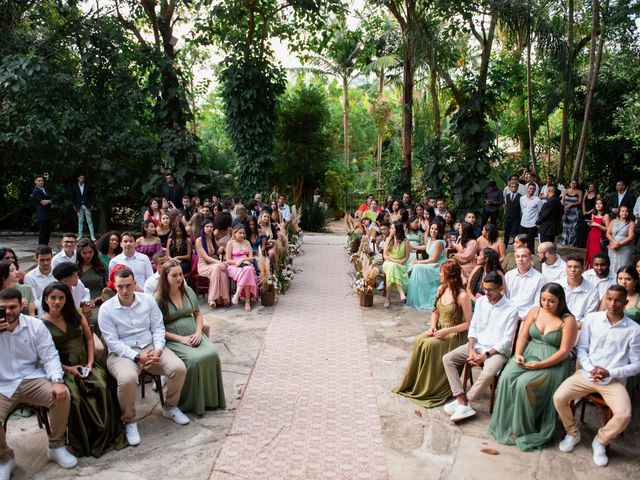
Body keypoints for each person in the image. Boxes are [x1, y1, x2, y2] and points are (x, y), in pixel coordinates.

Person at [98, 268, 189, 447]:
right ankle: (130, 421)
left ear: (134, 284)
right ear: (114, 285)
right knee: (128, 378)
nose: (125, 291)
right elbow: (112, 342)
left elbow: (158, 327)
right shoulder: (106, 309)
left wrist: (158, 349)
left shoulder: (147, 300)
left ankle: (170, 407)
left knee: (178, 368)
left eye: (129, 286)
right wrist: (136, 356)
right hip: (122, 353)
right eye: (120, 286)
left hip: (150, 347)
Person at [553, 285, 640, 467]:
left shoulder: (634, 330)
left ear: (625, 302)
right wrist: (590, 367)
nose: (612, 304)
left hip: (612, 380)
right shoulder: (592, 319)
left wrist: (611, 372)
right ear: (605, 299)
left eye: (617, 300)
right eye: (609, 299)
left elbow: (636, 365)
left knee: (624, 415)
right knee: (559, 397)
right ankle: (572, 433)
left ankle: (600, 441)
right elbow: (582, 348)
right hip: (586, 374)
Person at [39, 282, 127, 456]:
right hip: (62, 368)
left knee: (102, 386)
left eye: (61, 297)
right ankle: (85, 441)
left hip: (86, 362)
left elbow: (88, 339)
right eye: (53, 298)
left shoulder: (76, 314)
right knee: (76, 398)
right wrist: (69, 369)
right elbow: (44, 357)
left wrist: (90, 362)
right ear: (46, 300)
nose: (57, 302)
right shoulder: (40, 324)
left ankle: (106, 434)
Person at [488, 282, 577, 451]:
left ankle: (523, 429)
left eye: (551, 301)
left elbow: (565, 351)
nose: (546, 304)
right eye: (543, 299)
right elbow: (522, 336)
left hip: (553, 362)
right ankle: (507, 423)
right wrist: (519, 354)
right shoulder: (535, 311)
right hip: (529, 353)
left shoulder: (568, 320)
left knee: (524, 385)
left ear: (560, 301)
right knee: (506, 376)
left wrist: (541, 364)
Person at [0, 288, 78, 476]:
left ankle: (56, 445)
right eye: (3, 308)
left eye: (13, 307)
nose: (9, 312)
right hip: (2, 384)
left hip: (31, 378)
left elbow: (49, 355)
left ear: (21, 306)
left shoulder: (35, 325)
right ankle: (5, 458)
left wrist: (57, 380)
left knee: (62, 394)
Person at [393, 260, 472, 407]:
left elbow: (468, 323)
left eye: (442, 272)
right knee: (419, 340)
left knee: (429, 345)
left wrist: (447, 330)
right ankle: (416, 383)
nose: (439, 275)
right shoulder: (441, 289)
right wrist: (432, 327)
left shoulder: (462, 296)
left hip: (454, 334)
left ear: (450, 276)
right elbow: (435, 312)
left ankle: (429, 387)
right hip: (439, 328)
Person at [443, 272, 518, 422]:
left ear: (500, 288)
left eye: (491, 290)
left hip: (497, 352)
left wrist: (486, 355)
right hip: (476, 345)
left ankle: (465, 402)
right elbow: (474, 327)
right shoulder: (481, 301)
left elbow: (506, 340)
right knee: (448, 359)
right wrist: (471, 349)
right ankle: (461, 399)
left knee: (489, 371)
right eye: (485, 289)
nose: (487, 293)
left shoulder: (511, 309)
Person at [155, 260, 226, 415]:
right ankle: (189, 402)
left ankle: (210, 399)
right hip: (174, 339)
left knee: (212, 354)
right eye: (174, 275)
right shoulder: (159, 299)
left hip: (194, 334)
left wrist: (198, 332)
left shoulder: (188, 291)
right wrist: (181, 339)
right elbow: (157, 329)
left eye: (180, 274)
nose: (179, 278)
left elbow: (198, 314)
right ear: (165, 277)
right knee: (194, 361)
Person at [407, 222, 447, 309]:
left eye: (436, 229)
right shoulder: (430, 240)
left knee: (418, 267)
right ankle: (419, 296)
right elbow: (426, 247)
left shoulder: (439, 243)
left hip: (438, 267)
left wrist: (419, 262)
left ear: (439, 231)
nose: (433, 230)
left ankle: (424, 298)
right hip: (432, 265)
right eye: (432, 228)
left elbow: (433, 259)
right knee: (416, 267)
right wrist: (413, 248)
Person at [195, 220, 230, 309]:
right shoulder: (199, 240)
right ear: (203, 228)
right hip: (204, 266)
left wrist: (221, 247)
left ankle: (215, 299)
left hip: (213, 265)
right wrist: (220, 262)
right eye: (207, 227)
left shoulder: (212, 238)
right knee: (218, 267)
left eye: (211, 227)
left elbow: (220, 247)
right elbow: (206, 258)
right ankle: (219, 298)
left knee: (220, 272)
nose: (209, 229)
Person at [505, 247, 547, 320]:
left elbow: (537, 304)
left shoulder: (540, 279)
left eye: (524, 256)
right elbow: (506, 298)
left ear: (531, 258)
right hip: (509, 314)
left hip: (528, 317)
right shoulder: (509, 275)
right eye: (517, 257)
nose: (520, 259)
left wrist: (523, 317)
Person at [558, 255, 599, 327]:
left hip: (579, 328)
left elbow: (589, 318)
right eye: (569, 267)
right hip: (556, 324)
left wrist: (571, 329)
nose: (572, 270)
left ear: (583, 269)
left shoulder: (593, 291)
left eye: (576, 267)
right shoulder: (557, 285)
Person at [225, 225, 258, 312]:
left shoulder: (247, 242)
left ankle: (237, 293)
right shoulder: (230, 243)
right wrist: (236, 262)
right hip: (234, 266)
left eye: (243, 233)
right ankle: (247, 301)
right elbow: (228, 260)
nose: (242, 235)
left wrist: (243, 259)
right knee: (248, 271)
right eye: (240, 233)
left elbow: (251, 258)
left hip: (246, 263)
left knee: (248, 270)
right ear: (235, 233)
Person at [382, 221, 410, 308]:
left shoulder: (405, 241)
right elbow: (385, 255)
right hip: (388, 263)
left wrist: (399, 261)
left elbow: (406, 257)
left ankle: (387, 298)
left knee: (393, 268)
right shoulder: (388, 239)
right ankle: (401, 291)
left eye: (392, 228)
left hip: (400, 265)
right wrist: (393, 260)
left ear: (397, 230)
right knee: (392, 266)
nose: (390, 230)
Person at [24, 244, 55, 313]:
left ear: (52, 257)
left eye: (48, 259)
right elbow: (33, 300)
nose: (45, 263)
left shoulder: (58, 273)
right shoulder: (29, 277)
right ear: (36, 258)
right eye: (42, 260)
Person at [606, 205, 635, 273]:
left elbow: (631, 237)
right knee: (613, 265)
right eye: (622, 211)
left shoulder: (631, 223)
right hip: (613, 247)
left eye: (626, 211)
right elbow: (608, 233)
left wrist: (618, 244)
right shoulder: (613, 221)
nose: (624, 213)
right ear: (619, 212)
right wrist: (614, 242)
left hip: (625, 248)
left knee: (624, 265)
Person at [585, 198, 610, 269]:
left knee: (597, 254)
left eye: (600, 204)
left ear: (603, 205)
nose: (598, 205)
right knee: (590, 255)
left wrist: (598, 225)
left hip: (599, 237)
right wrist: (590, 225)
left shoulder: (606, 216)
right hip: (591, 236)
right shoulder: (593, 214)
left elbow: (608, 229)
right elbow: (593, 226)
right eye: (597, 204)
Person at [71, 174, 96, 241]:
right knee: (80, 221)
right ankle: (80, 235)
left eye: (83, 178)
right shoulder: (75, 187)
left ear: (84, 179)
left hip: (87, 205)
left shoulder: (88, 186)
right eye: (80, 178)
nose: (82, 179)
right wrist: (74, 205)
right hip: (78, 206)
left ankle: (92, 236)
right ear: (78, 178)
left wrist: (92, 205)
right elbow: (72, 197)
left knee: (89, 221)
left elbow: (93, 196)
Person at [519, 183, 542, 253]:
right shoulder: (522, 198)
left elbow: (540, 212)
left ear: (535, 190)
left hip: (532, 224)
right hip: (523, 223)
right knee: (522, 241)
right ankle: (522, 254)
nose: (531, 190)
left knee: (531, 242)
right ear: (527, 189)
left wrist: (538, 223)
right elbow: (522, 209)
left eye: (533, 189)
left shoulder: (537, 200)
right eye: (530, 188)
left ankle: (531, 256)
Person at [559, 180, 583, 246]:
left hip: (574, 211)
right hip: (566, 211)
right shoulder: (566, 190)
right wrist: (564, 207)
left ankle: (571, 243)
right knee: (565, 227)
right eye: (572, 183)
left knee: (573, 227)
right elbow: (563, 200)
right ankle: (564, 242)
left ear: (576, 184)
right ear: (570, 183)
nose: (573, 184)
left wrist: (571, 204)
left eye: (575, 183)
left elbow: (580, 201)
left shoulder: (579, 191)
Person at [31, 174, 53, 245]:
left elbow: (51, 199)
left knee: (48, 232)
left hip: (48, 214)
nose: (41, 182)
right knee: (43, 232)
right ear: (35, 182)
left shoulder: (45, 189)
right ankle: (41, 248)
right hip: (42, 214)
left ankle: (46, 247)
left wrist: (48, 201)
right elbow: (43, 202)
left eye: (42, 180)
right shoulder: (35, 191)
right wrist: (49, 201)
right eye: (39, 180)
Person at [503, 181, 522, 245]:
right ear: (509, 188)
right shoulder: (507, 196)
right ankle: (504, 247)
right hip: (507, 218)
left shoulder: (520, 197)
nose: (513, 188)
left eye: (515, 187)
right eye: (512, 187)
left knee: (515, 233)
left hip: (516, 218)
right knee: (506, 233)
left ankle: (516, 248)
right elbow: (505, 206)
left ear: (517, 188)